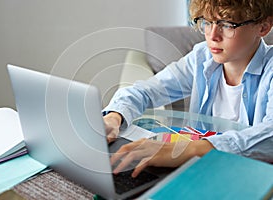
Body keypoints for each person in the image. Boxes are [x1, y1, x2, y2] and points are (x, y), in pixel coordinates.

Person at [103, 0, 273, 178]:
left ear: (263, 27)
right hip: (200, 169)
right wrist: (115, 116)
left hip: (252, 177)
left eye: (227, 24)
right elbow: (146, 91)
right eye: (207, 22)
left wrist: (191, 149)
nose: (212, 36)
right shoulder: (202, 57)